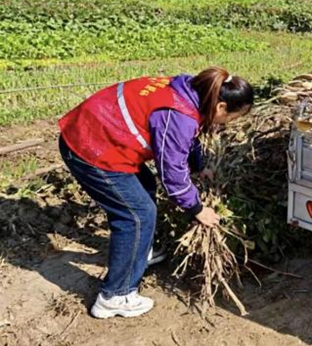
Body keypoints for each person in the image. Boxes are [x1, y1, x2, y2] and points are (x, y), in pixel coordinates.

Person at [58, 67, 254, 319]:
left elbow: (188, 137)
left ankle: (138, 253)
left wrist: (198, 166)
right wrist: (197, 209)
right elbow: (172, 172)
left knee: (145, 186)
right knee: (137, 215)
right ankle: (115, 296)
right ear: (221, 107)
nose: (230, 123)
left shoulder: (190, 91)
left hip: (100, 134)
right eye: (233, 117)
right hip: (90, 148)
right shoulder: (179, 115)